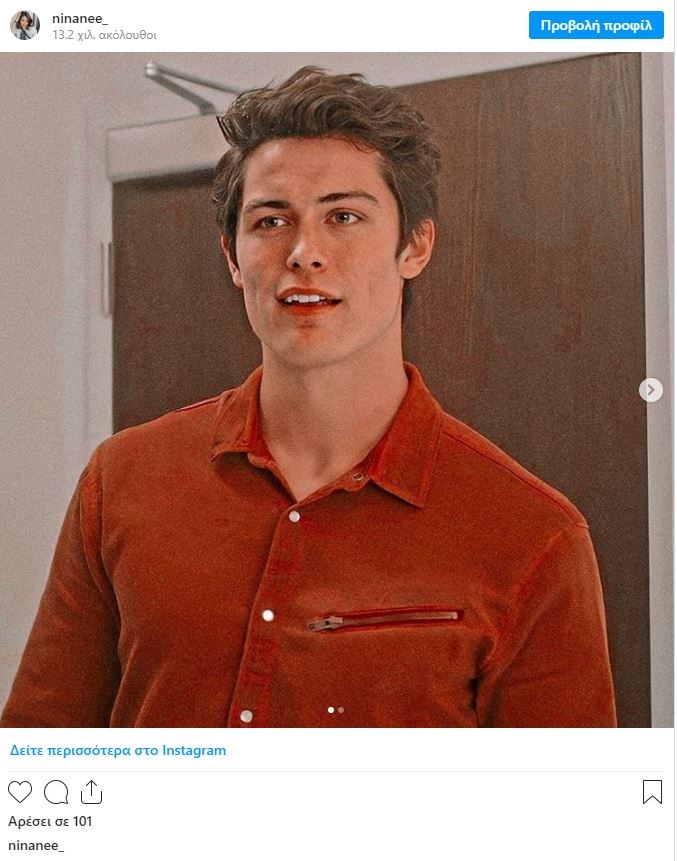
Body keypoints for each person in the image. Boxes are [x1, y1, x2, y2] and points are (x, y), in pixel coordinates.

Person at [1, 67, 616, 728]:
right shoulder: (122, 481)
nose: (303, 252)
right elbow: (37, 752)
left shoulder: (532, 535)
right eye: (271, 221)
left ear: (414, 245)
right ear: (232, 257)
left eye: (343, 216)